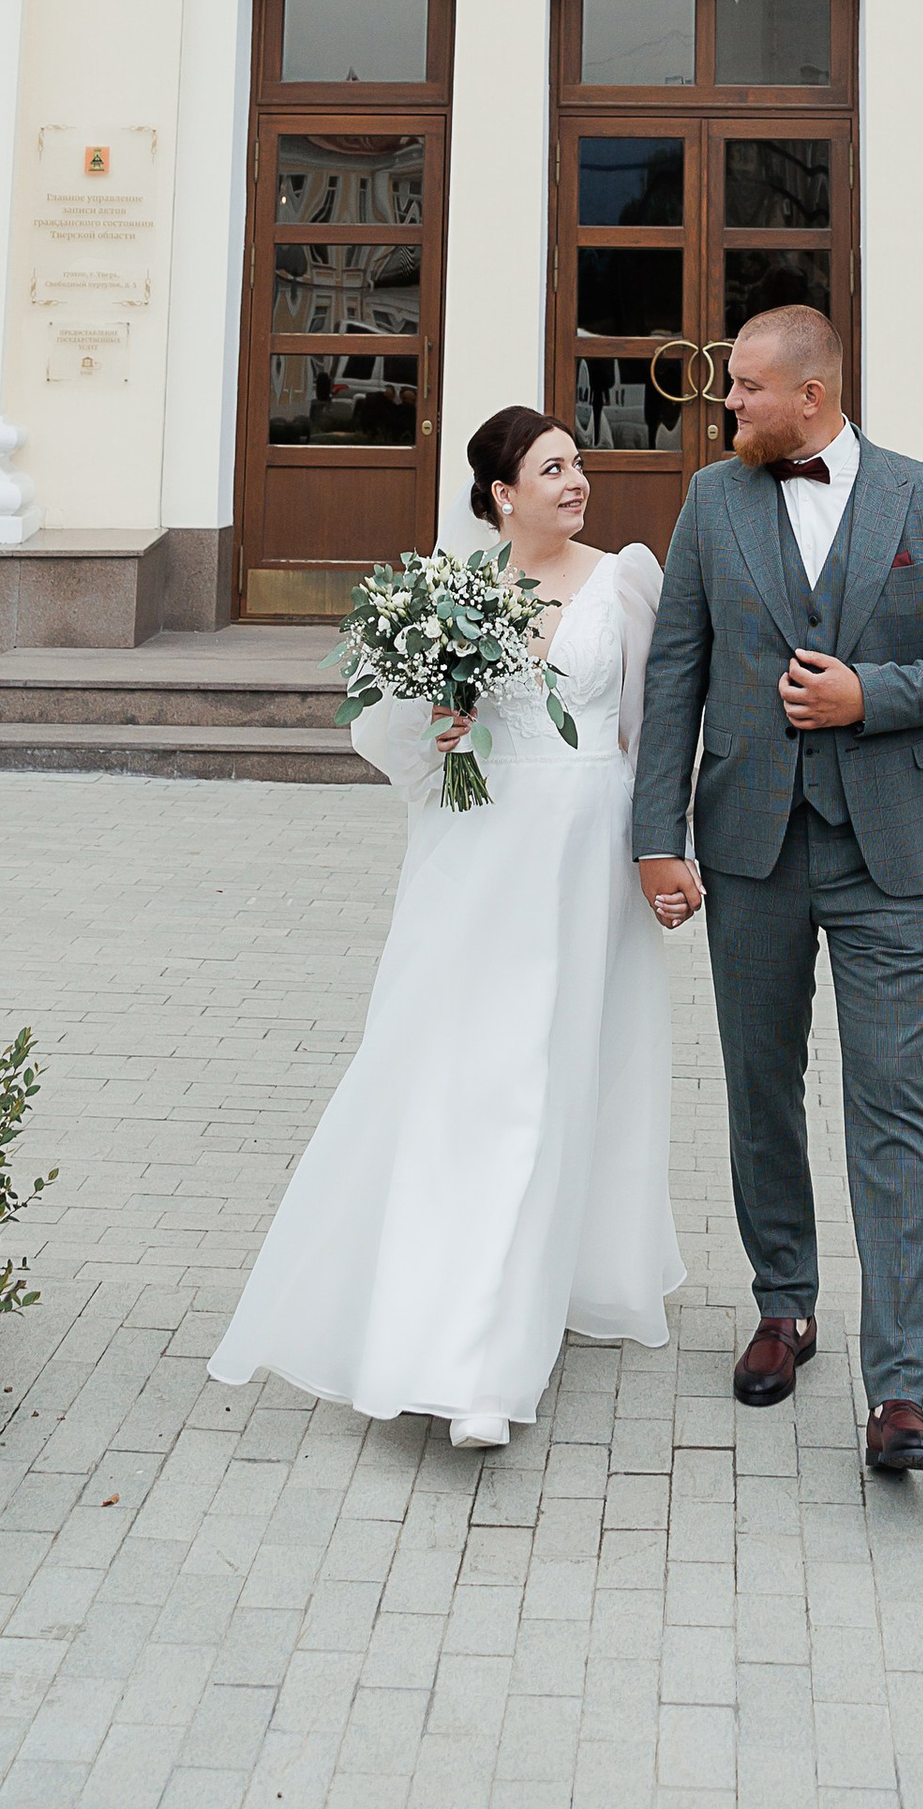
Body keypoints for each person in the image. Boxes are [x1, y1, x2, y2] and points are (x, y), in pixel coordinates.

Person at [210, 407, 682, 1449]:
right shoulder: (450, 592)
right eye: (551, 468)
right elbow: (393, 735)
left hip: (588, 861)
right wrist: (443, 727)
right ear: (500, 495)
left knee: (561, 1077)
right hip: (479, 861)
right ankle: (465, 1357)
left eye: (579, 465)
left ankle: (523, 1306)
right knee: (473, 1078)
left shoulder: (626, 580)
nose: (575, 483)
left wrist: (665, 852)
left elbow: (648, 730)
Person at [632, 305, 923, 1476]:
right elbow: (676, 673)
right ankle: (783, 1307)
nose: (727, 404)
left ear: (812, 395)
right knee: (760, 1087)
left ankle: (897, 1391)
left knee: (890, 1103)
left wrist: (874, 695)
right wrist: (657, 836)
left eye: (747, 388)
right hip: (750, 845)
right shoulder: (711, 501)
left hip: (891, 855)